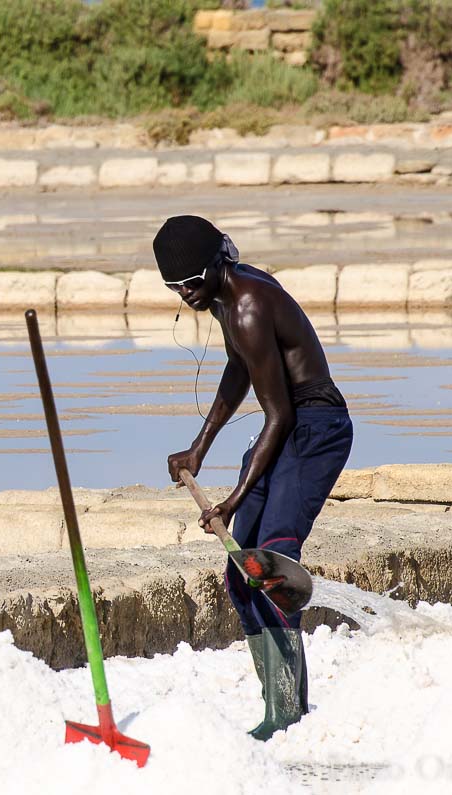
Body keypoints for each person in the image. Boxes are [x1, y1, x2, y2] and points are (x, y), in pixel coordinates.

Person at [156, 215, 353, 740]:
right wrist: (198, 448)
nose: (186, 296)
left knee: (271, 565)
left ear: (215, 264)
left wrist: (230, 498)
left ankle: (288, 716)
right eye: (175, 288)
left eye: (191, 283)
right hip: (287, 423)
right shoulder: (223, 297)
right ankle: (278, 706)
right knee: (240, 574)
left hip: (315, 426)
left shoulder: (246, 303)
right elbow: (239, 370)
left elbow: (280, 414)